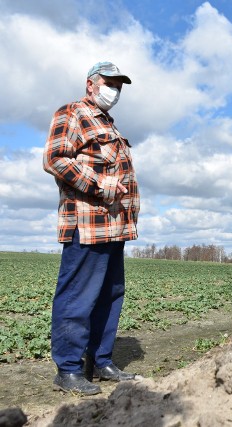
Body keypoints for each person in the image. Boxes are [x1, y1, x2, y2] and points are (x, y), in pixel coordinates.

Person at [43, 61, 140, 395]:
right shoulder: (72, 113)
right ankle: (68, 369)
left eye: (119, 86)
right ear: (91, 84)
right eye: (109, 83)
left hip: (114, 226)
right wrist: (101, 184)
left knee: (110, 295)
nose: (115, 91)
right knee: (78, 296)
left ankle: (100, 361)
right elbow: (55, 158)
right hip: (86, 224)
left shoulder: (109, 124)